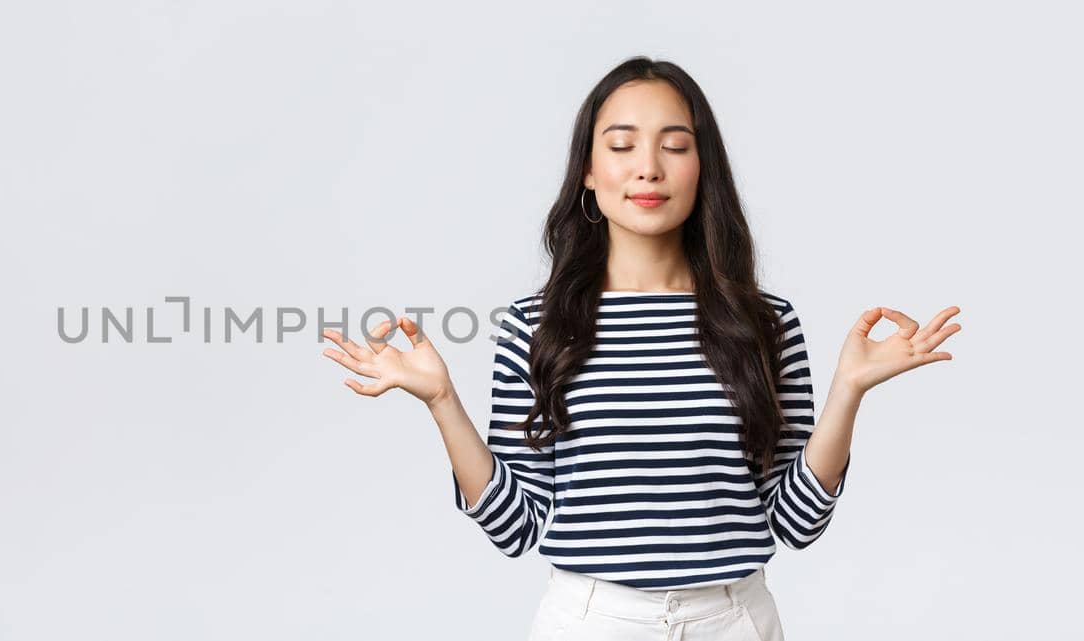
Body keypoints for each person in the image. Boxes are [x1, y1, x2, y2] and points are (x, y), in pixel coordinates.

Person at [318, 56, 962, 640]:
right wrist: (441, 400)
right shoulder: (535, 326)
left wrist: (847, 392)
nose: (648, 166)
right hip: (590, 623)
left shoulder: (764, 323)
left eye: (675, 146)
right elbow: (516, 526)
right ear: (589, 176)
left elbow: (794, 522)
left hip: (734, 622)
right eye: (622, 145)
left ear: (702, 168)